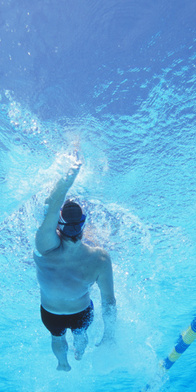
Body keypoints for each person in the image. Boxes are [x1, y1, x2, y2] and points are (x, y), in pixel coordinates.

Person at [34, 158, 116, 371]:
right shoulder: (99, 259)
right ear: (83, 225)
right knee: (80, 334)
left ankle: (62, 363)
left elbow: (51, 206)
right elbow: (109, 302)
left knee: (56, 337)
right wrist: (109, 336)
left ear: (58, 224)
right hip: (81, 313)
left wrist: (71, 172)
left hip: (50, 314)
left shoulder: (45, 246)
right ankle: (79, 354)